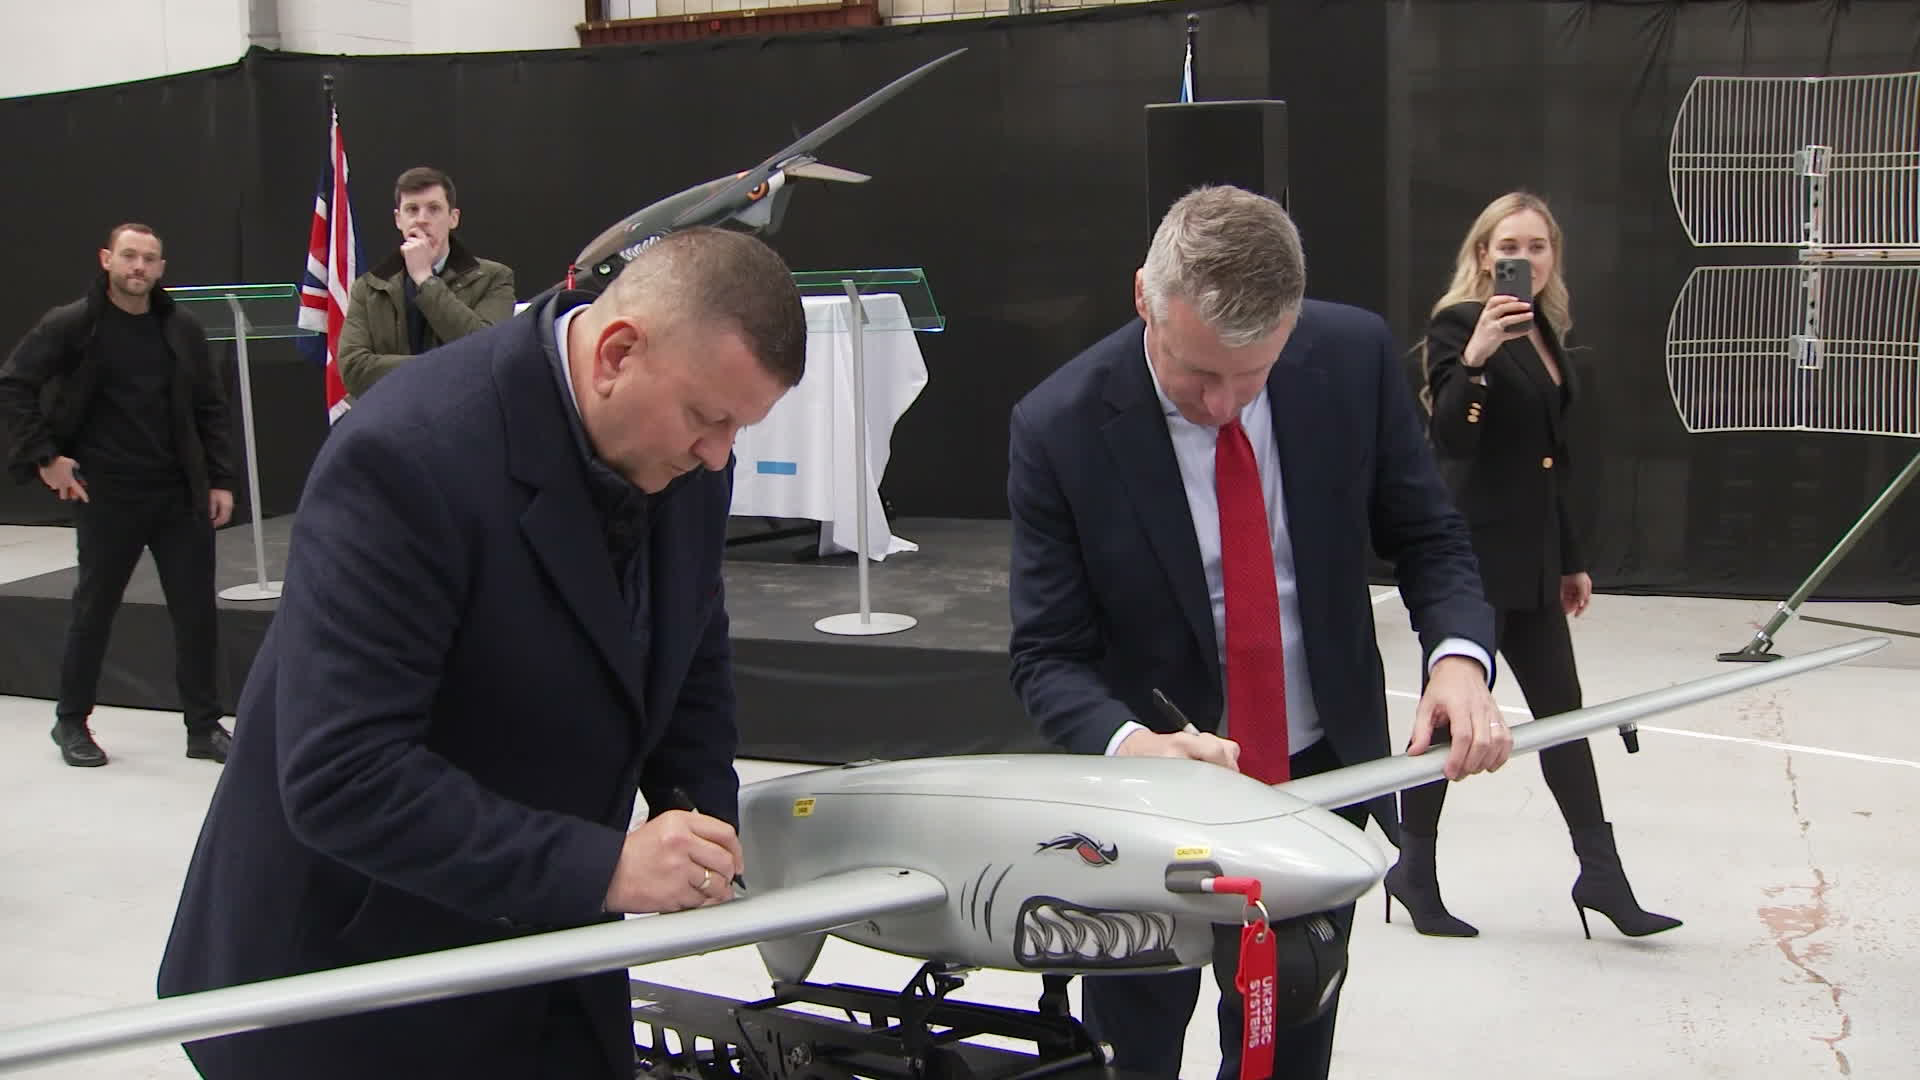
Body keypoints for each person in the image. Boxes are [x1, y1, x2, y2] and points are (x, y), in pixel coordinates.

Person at [155, 226, 808, 1079]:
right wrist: (604, 865)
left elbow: (688, 642)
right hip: (357, 987)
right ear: (616, 353)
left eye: (739, 429)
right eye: (709, 419)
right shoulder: (407, 457)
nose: (720, 454)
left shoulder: (683, 455)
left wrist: (698, 814)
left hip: (542, 957)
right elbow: (341, 776)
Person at [1006, 185, 1511, 1080]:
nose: (1223, 404)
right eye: (1196, 371)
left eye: (1253, 375)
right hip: (1151, 812)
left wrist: (1461, 662)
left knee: (1286, 1050)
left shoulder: (1351, 358)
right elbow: (1047, 656)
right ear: (1142, 300)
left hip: (1317, 785)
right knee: (1135, 1051)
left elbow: (1430, 535)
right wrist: (1132, 744)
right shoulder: (1061, 426)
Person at [1387, 191, 1682, 941]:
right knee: (1452, 719)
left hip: (1535, 558)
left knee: (1565, 722)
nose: (1525, 258)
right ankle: (1413, 869)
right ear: (1484, 254)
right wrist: (1478, 360)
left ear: (1553, 256)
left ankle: (1602, 877)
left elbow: (1548, 464)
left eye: (1539, 246)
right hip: (1472, 559)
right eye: (1508, 245)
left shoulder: (1550, 328)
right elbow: (1453, 437)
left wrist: (1571, 559)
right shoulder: (1461, 323)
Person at [0, 223, 236, 768]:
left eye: (149, 259)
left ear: (161, 268)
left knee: (197, 613)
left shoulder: (181, 328)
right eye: (129, 256)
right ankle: (70, 721)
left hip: (178, 495)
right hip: (107, 494)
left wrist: (220, 480)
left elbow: (209, 407)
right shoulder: (75, 325)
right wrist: (45, 457)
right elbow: (14, 383)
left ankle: (203, 726)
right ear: (107, 259)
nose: (138, 267)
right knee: (95, 609)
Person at [336, 165, 516, 398]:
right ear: (398, 220)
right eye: (412, 209)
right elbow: (354, 369)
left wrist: (425, 280)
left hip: (460, 416)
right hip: (391, 420)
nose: (422, 220)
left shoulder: (493, 278)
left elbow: (485, 352)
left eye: (434, 209)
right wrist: (444, 366)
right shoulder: (369, 287)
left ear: (453, 218)